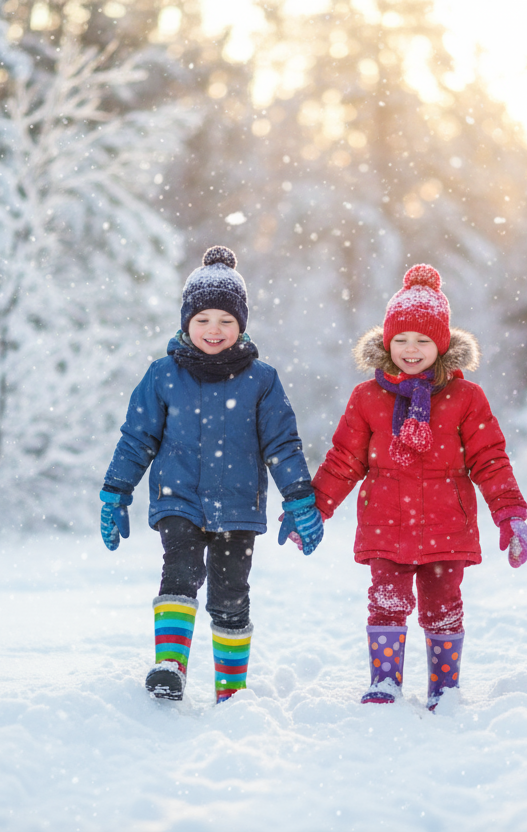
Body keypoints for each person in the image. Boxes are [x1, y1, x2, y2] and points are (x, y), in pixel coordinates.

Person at [100, 246, 323, 703]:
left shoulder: (262, 380)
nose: (213, 330)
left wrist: (299, 499)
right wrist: (115, 492)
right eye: (202, 320)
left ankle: (231, 690)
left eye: (225, 320)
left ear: (241, 324)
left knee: (230, 594)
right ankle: (170, 665)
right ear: (186, 323)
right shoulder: (162, 376)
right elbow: (136, 438)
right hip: (177, 497)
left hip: (238, 507)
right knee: (178, 574)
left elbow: (282, 444)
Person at [311, 264, 527, 710]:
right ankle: (385, 683)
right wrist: (314, 507)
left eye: (423, 340)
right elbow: (344, 460)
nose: (411, 349)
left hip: (448, 527)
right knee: (386, 601)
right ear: (387, 342)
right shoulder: (367, 397)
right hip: (386, 524)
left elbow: (490, 459)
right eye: (402, 339)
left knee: (443, 605)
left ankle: (443, 687)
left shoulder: (467, 398)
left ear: (443, 344)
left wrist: (510, 514)